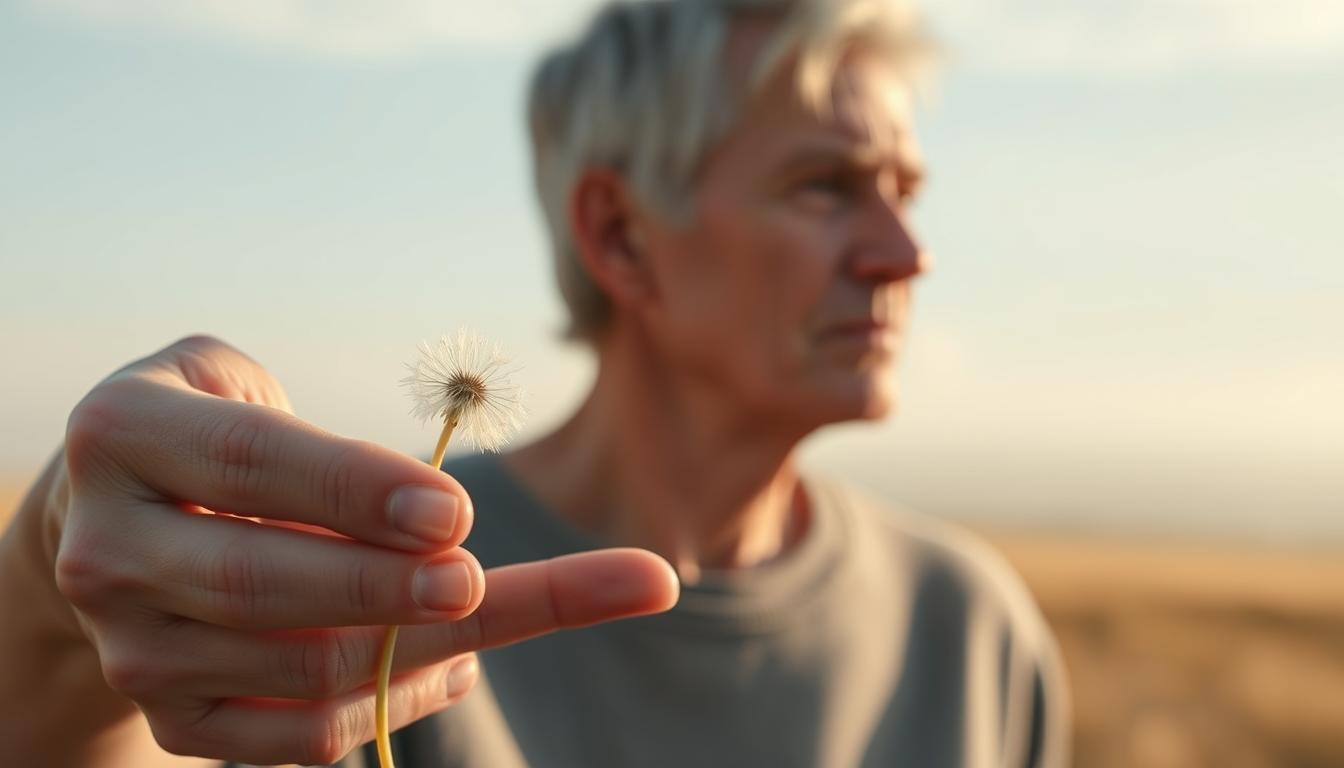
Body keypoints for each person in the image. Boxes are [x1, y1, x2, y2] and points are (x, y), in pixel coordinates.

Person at [0, 0, 1070, 766]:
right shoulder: (380, 601)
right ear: (620, 235)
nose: (904, 252)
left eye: (906, 190)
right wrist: (48, 599)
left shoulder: (972, 634)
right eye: (827, 187)